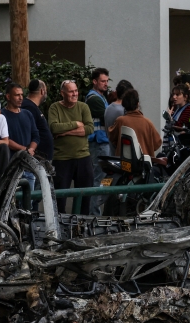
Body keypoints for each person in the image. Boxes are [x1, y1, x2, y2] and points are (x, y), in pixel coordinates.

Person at [48, 80, 95, 214]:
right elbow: (54, 127)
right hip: (62, 159)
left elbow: (89, 129)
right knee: (60, 198)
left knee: (85, 197)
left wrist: (66, 132)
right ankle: (60, 228)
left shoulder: (83, 107)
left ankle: (82, 228)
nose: (75, 94)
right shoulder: (55, 108)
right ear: (62, 93)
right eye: (71, 91)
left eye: (76, 91)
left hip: (83, 157)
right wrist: (76, 123)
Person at [1, 82, 40, 191]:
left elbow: (36, 135)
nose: (21, 98)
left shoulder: (27, 114)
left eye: (22, 95)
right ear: (8, 96)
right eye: (17, 95)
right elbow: (5, 140)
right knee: (11, 203)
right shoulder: (2, 116)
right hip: (11, 167)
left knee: (29, 203)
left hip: (28, 166)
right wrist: (25, 150)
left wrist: (31, 149)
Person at [85, 67, 112, 211]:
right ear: (94, 82)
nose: (106, 84)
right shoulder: (94, 99)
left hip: (101, 142)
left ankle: (95, 211)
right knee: (98, 179)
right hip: (98, 142)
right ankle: (94, 213)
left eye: (107, 81)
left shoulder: (100, 97)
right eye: (103, 81)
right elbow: (107, 117)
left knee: (101, 179)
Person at [108, 89, 162, 158]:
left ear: (124, 104)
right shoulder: (148, 123)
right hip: (144, 164)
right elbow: (157, 143)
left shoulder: (120, 121)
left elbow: (112, 137)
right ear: (138, 104)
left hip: (124, 162)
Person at [23, 79, 54, 162]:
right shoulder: (28, 107)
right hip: (36, 158)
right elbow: (29, 132)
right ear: (42, 91)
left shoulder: (32, 106)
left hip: (42, 157)